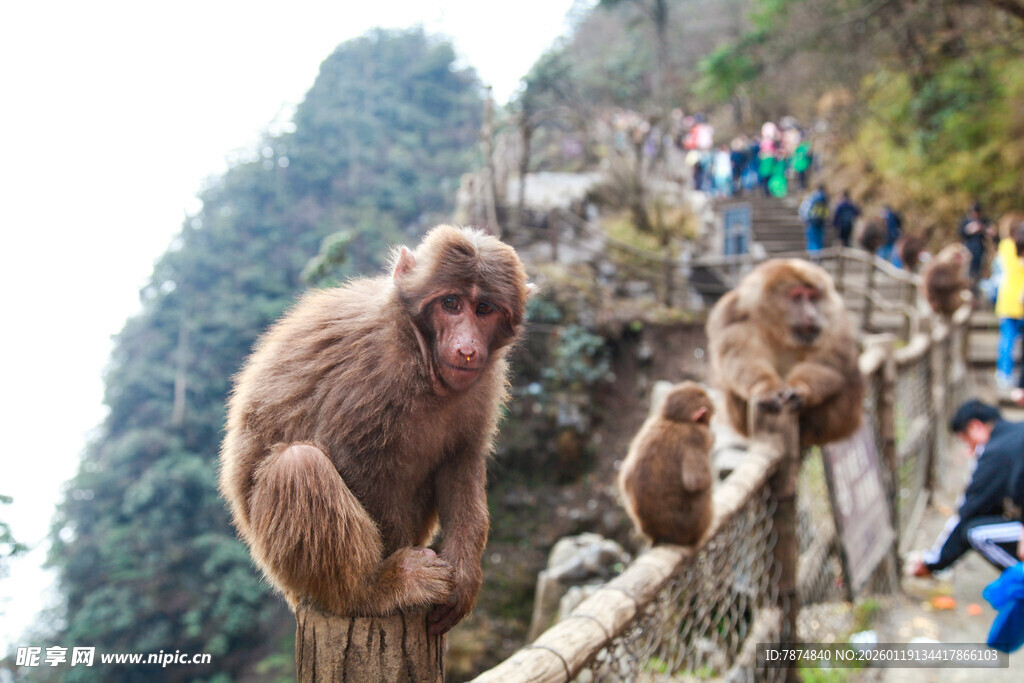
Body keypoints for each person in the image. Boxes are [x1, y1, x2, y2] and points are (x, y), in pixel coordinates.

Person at [910, 400, 1024, 578]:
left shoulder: (996, 452)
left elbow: (970, 509)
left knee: (977, 533)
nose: (968, 449)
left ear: (975, 426)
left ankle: (1019, 581)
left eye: (966, 441)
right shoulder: (1015, 433)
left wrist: (934, 562)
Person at [993, 224, 1024, 388]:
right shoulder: (1015, 249)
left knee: (1007, 338)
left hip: (1006, 299)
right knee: (1009, 338)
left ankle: (1004, 373)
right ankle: (1008, 375)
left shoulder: (1005, 246)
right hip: (1017, 300)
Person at [960, 201, 995, 288]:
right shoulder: (966, 221)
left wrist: (983, 228)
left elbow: (992, 233)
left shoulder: (984, 221)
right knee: (968, 273)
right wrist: (969, 230)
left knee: (980, 274)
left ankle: (977, 288)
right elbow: (960, 233)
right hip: (969, 251)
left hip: (981, 251)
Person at [799, 185, 829, 253]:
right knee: (819, 239)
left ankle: (813, 254)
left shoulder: (812, 197)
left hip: (812, 221)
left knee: (812, 239)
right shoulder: (824, 198)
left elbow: (805, 209)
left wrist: (804, 219)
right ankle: (819, 253)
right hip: (821, 222)